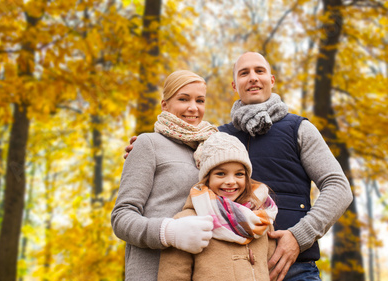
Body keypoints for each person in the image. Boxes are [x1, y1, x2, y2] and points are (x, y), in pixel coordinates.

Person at [124, 52, 353, 281]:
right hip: (234, 270)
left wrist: (298, 237)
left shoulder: (299, 129)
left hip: (295, 267)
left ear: (271, 80)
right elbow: (177, 145)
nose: (252, 77)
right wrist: (145, 145)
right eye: (244, 73)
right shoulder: (216, 137)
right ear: (235, 85)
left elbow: (338, 187)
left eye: (259, 71)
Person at [111, 70, 219, 280]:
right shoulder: (148, 144)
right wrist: (169, 232)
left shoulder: (213, 149)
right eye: (183, 99)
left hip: (202, 271)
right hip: (152, 271)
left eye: (200, 100)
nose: (193, 107)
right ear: (165, 105)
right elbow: (121, 217)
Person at [158, 132, 278, 280]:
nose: (230, 181)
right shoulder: (187, 221)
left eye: (239, 174)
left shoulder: (261, 219)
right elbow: (173, 276)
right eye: (221, 174)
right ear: (207, 178)